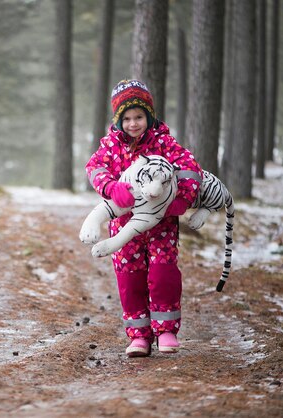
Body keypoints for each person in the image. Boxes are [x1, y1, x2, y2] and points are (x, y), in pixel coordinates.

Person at [85, 79, 203, 357]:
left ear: (149, 116)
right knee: (130, 278)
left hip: (161, 223)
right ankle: (139, 335)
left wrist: (182, 198)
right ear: (118, 120)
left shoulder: (164, 142)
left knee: (163, 275)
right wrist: (111, 188)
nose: (133, 124)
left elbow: (190, 168)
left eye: (139, 117)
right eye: (126, 118)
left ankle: (166, 331)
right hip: (124, 224)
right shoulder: (111, 145)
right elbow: (95, 168)